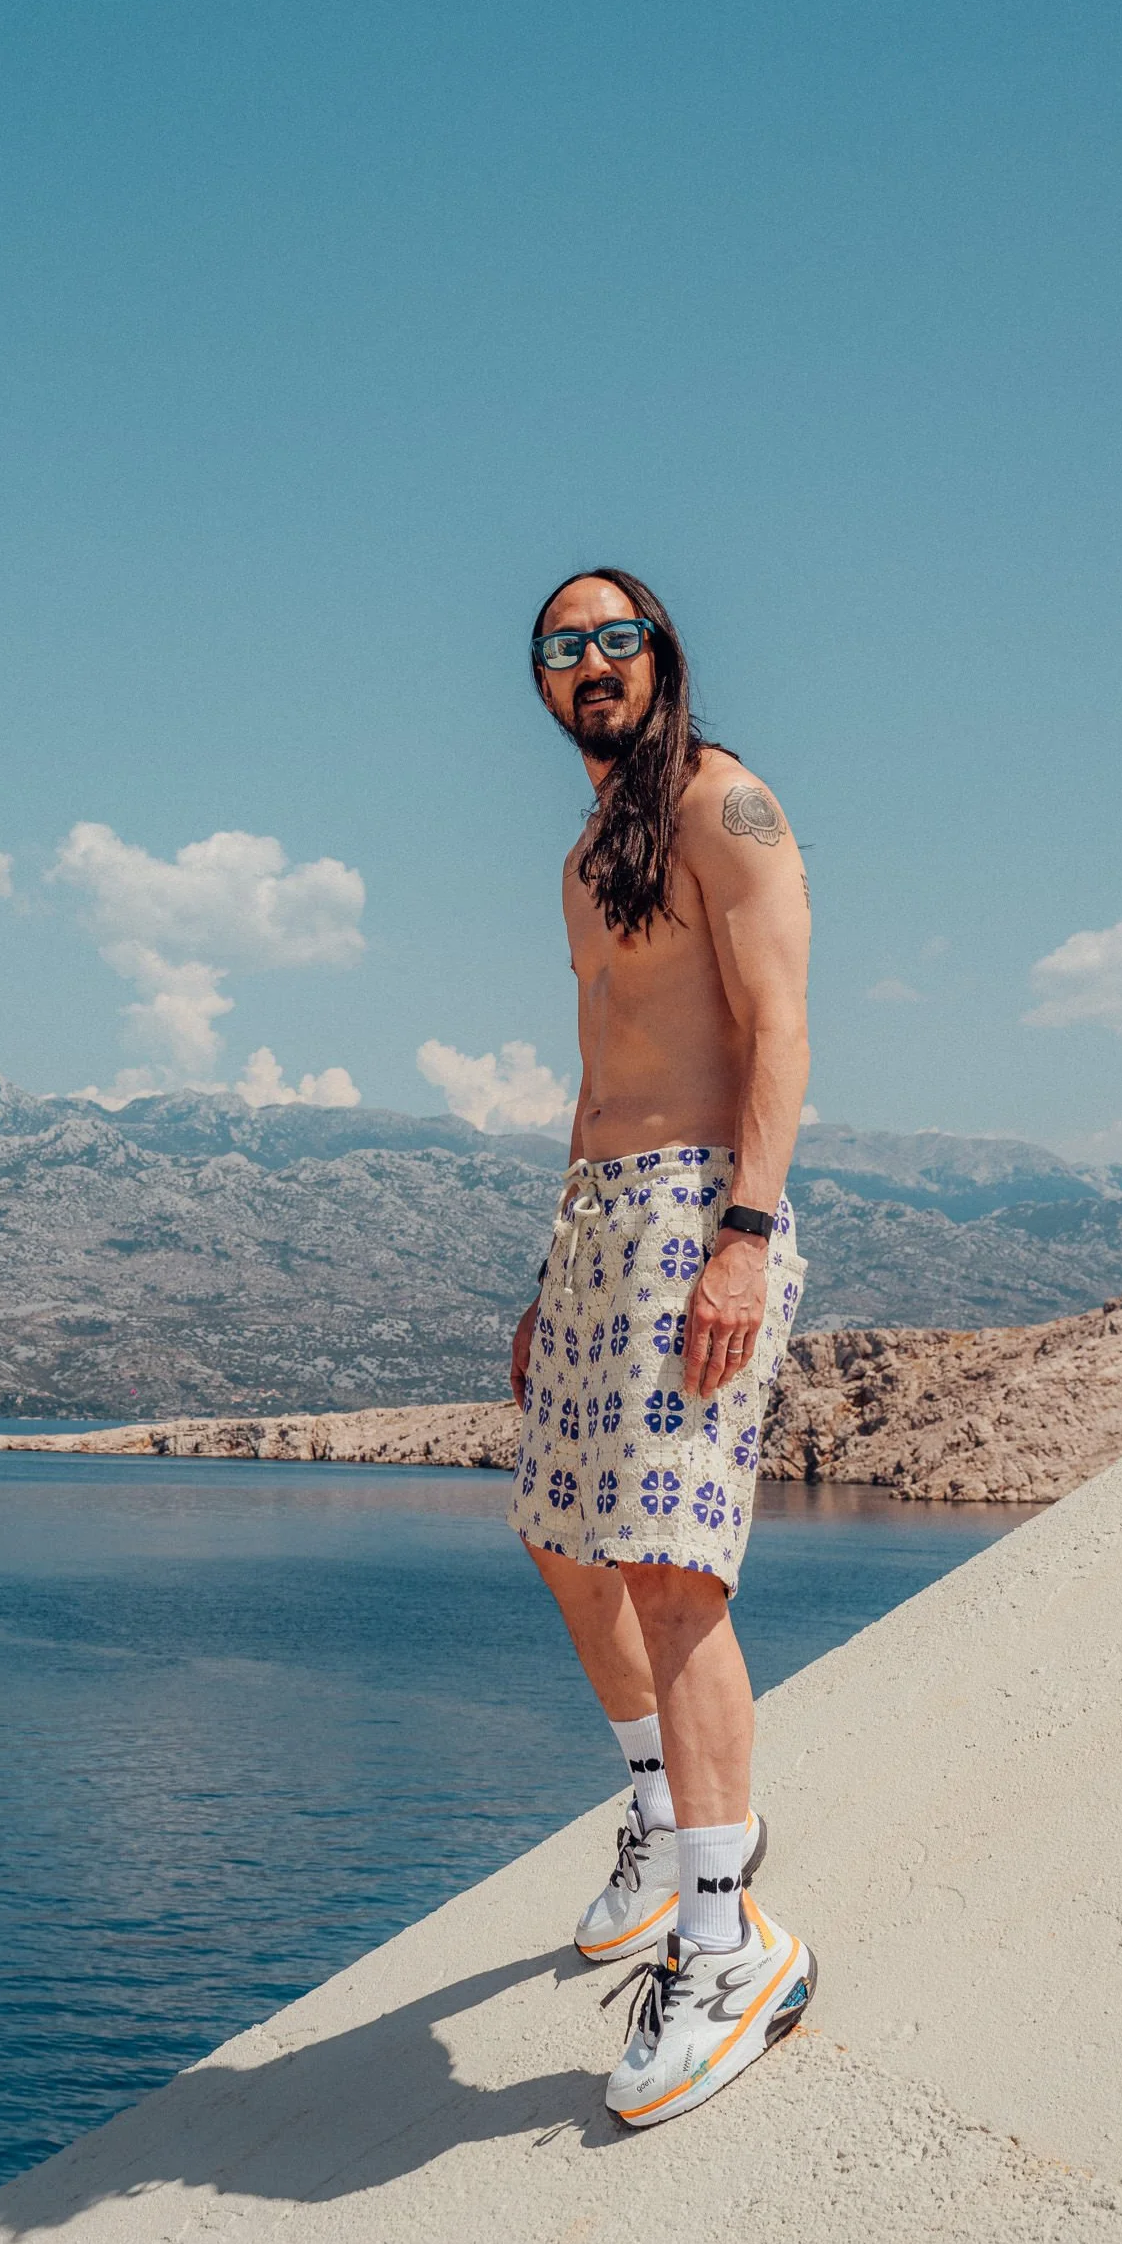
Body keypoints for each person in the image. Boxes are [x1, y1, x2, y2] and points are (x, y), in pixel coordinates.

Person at [508, 565, 816, 2129]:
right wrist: (549, 1272)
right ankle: (651, 1808)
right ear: (544, 684)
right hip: (599, 1229)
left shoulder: (726, 806)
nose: (594, 661)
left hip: (703, 1212)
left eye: (617, 637)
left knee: (675, 1569)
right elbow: (594, 1071)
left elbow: (777, 1030)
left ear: (661, 656)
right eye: (566, 648)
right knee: (567, 1540)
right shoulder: (586, 855)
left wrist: (746, 1240)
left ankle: (728, 1935)